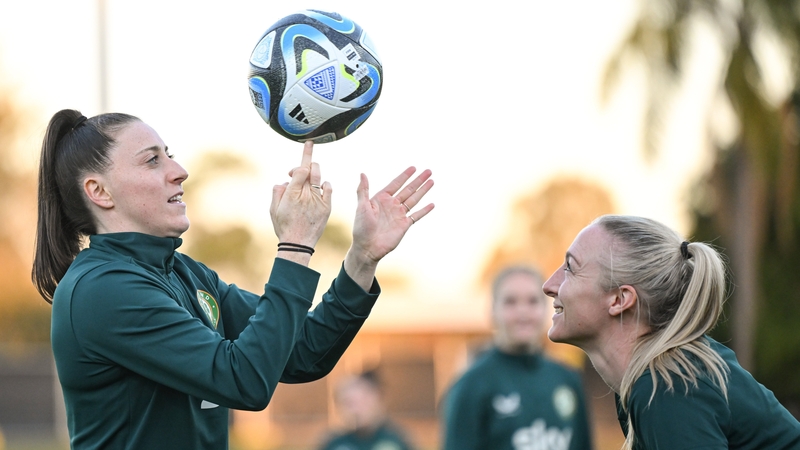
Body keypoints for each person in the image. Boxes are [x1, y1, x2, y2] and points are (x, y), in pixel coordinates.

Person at [31, 109, 434, 450]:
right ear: (99, 191)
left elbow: (304, 352)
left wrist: (361, 259)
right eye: (152, 160)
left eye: (168, 155)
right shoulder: (101, 290)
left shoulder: (186, 273)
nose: (179, 171)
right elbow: (243, 381)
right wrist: (294, 245)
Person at [542, 214, 800, 449]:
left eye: (570, 268)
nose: (549, 285)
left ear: (619, 299)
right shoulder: (657, 381)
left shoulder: (668, 388)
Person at [442, 265, 594, 450]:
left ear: (547, 308)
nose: (523, 312)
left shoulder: (567, 379)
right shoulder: (471, 385)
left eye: (532, 301)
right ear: (492, 310)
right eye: (510, 302)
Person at [317, 370, 414, 450]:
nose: (356, 410)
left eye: (362, 401)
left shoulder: (396, 440)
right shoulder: (335, 443)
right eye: (349, 403)